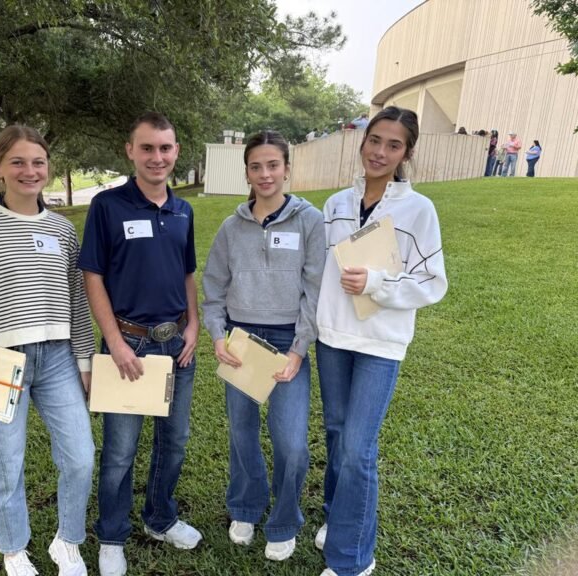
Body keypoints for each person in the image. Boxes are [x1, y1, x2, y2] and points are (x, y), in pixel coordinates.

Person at [0, 125, 95, 576]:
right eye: (18, 162)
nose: (30, 171)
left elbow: (78, 300)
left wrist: (85, 362)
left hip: (59, 361)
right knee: (6, 468)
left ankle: (67, 542)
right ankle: (14, 550)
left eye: (38, 162)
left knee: (81, 457)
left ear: (49, 169)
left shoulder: (64, 231)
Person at [313, 106, 448, 576]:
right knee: (335, 435)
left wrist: (376, 282)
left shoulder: (418, 209)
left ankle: (353, 560)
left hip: (380, 345)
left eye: (394, 145)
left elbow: (433, 283)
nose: (380, 152)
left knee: (358, 448)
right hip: (332, 338)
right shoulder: (334, 205)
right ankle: (338, 518)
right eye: (375, 140)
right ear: (362, 140)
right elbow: (321, 275)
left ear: (406, 152)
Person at [78, 111, 201, 576]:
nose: (157, 157)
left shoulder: (183, 210)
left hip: (177, 348)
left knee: (174, 442)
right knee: (120, 451)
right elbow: (93, 276)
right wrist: (115, 343)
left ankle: (160, 517)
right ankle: (112, 534)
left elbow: (187, 273)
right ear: (130, 151)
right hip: (127, 346)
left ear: (176, 153)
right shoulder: (108, 206)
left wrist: (192, 325)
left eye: (165, 148)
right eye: (147, 148)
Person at [202, 131, 325, 562]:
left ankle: (285, 520)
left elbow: (315, 289)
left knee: (291, 442)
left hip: (288, 342)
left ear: (287, 169)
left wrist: (298, 348)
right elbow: (214, 288)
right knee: (242, 433)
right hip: (242, 340)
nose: (266, 174)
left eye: (273, 165)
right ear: (247, 173)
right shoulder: (231, 227)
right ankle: (246, 507)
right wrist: (217, 335)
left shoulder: (311, 221)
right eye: (256, 166)